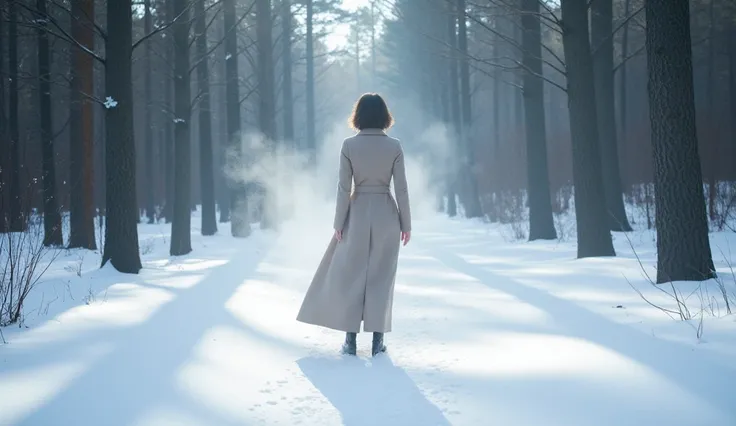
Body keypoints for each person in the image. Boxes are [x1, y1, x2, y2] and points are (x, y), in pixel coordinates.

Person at [296, 93, 412, 357]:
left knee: (352, 276)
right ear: (384, 116)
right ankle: (377, 342)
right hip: (386, 215)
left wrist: (339, 223)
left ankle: (350, 341)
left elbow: (342, 188)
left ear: (358, 116)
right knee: (381, 278)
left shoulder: (348, 145)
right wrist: (407, 224)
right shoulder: (394, 146)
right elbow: (402, 189)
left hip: (356, 214)